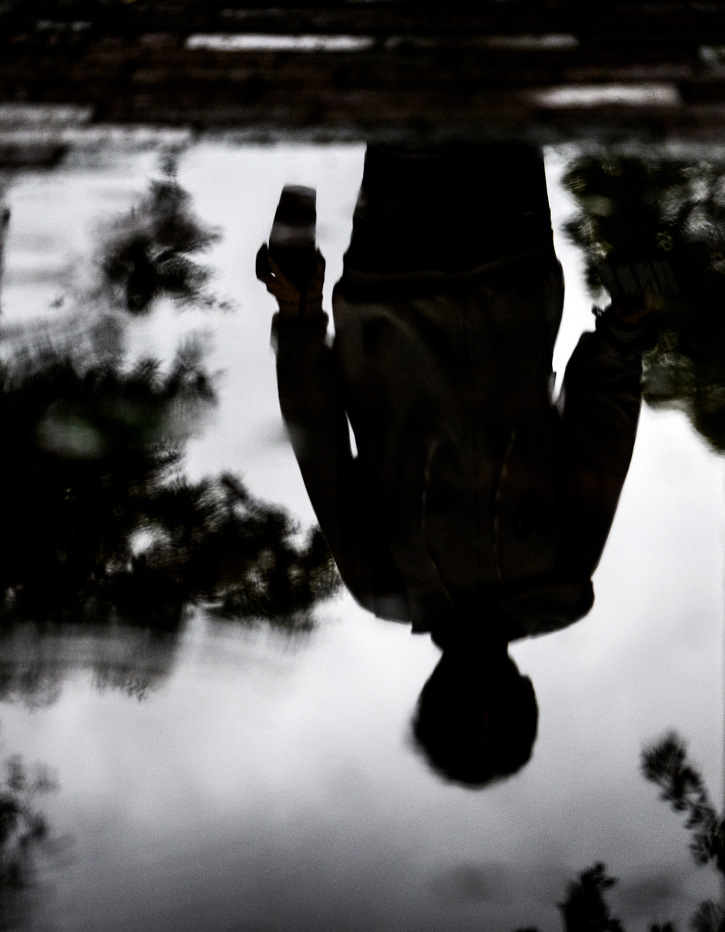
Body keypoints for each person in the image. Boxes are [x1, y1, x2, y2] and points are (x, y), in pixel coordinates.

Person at [258, 143, 658, 783]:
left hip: (392, 278)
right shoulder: (563, 571)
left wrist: (299, 313)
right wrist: (624, 329)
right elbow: (600, 431)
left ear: (430, 699)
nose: (481, 708)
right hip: (514, 261)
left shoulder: (385, 585)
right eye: (502, 721)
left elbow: (322, 445)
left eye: (459, 721)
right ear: (527, 697)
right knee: (495, 82)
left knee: (406, 91)